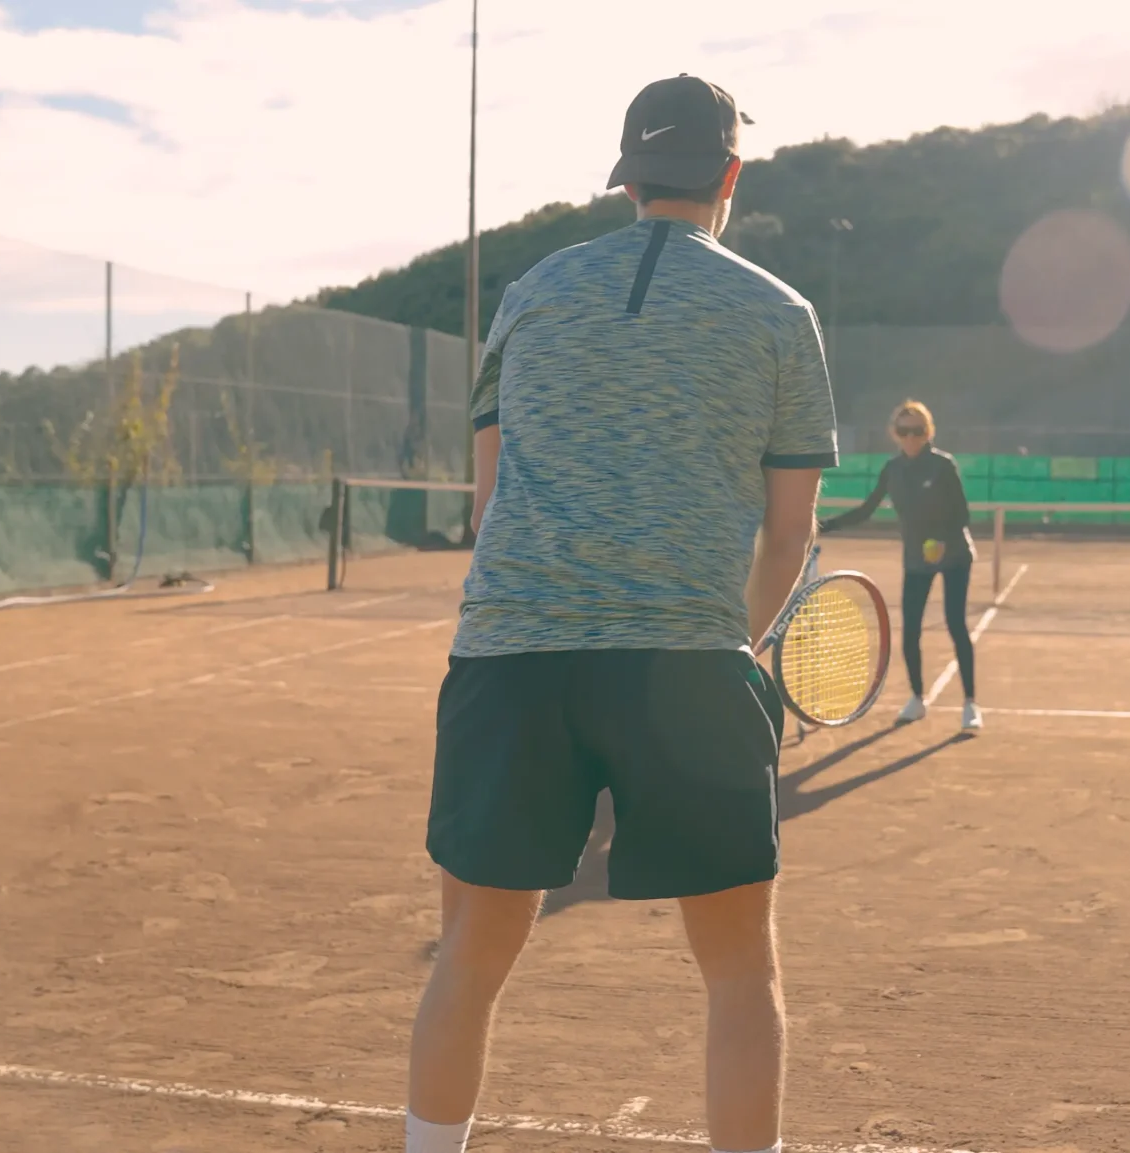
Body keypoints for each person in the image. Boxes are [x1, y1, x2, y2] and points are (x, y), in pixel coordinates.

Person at [405, 75, 837, 1153]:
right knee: (740, 969)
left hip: (512, 657)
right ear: (728, 175)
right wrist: (729, 636)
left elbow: (488, 498)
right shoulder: (780, 315)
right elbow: (788, 533)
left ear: (625, 176)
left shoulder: (531, 294)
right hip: (687, 662)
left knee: (469, 952)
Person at [819, 400, 982, 731]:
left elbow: (962, 515)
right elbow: (866, 510)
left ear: (928, 432)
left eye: (918, 431)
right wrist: (822, 526)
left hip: (954, 557)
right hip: (915, 559)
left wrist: (941, 542)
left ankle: (970, 704)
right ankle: (917, 699)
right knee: (910, 630)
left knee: (955, 624)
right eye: (905, 431)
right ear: (895, 433)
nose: (911, 437)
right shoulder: (892, 470)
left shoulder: (943, 465)